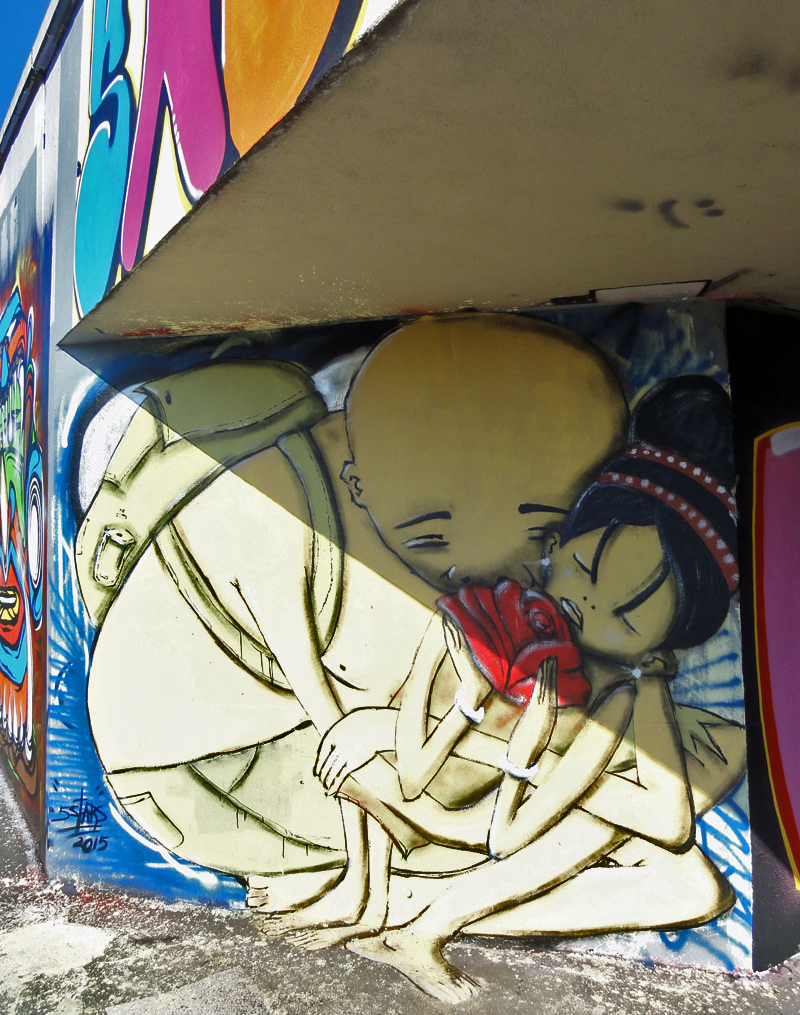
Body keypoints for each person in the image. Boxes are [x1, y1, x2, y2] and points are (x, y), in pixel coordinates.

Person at [84, 313, 629, 912]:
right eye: (432, 537)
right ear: (357, 482)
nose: (476, 562)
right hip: (190, 772)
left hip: (223, 754)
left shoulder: (362, 478)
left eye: (542, 535)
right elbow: (345, 735)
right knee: (470, 787)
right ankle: (362, 884)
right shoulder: (280, 508)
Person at [306, 377, 743, 1000]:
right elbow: (415, 766)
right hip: (417, 794)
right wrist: (486, 733)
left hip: (502, 819)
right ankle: (424, 920)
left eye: (627, 618)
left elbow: (669, 822)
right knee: (620, 823)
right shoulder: (485, 621)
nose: (589, 605)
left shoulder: (626, 692)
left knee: (692, 880)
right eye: (585, 568)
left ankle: (422, 910)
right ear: (555, 546)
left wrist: (536, 762)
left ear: (656, 650)